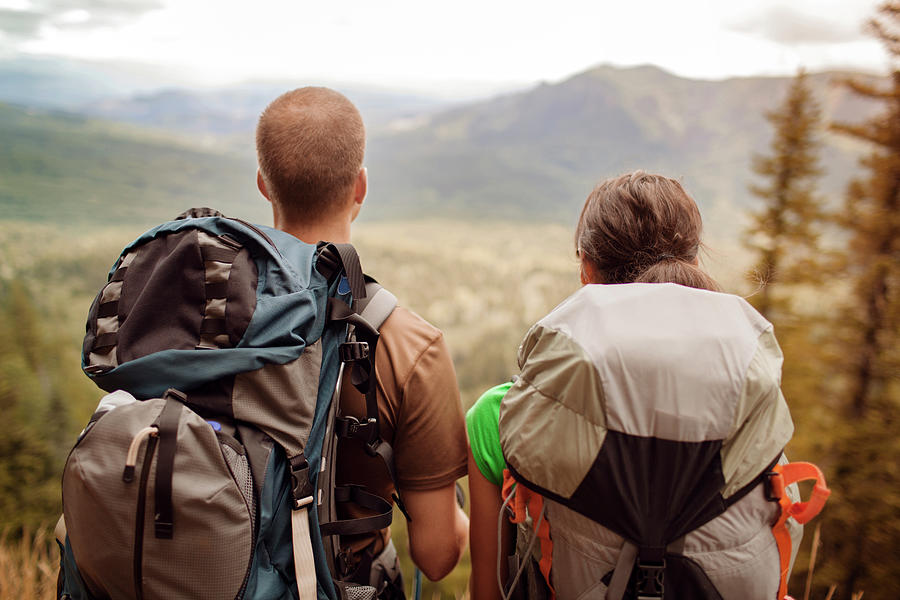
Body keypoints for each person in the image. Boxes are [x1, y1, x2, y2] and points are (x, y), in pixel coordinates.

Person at [466, 171, 723, 599]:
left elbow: (489, 592)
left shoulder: (502, 415)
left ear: (586, 268)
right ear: (693, 265)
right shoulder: (741, 401)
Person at [255, 87, 469, 589]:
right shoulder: (409, 345)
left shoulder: (202, 319)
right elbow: (437, 557)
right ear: (361, 187)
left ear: (264, 185)